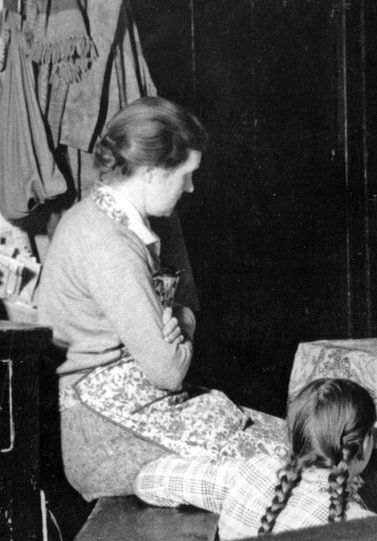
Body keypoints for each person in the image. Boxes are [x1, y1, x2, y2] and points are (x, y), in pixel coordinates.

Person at [37, 96, 286, 501]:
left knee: (285, 438)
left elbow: (167, 345)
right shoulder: (106, 240)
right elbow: (168, 370)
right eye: (186, 174)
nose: (191, 186)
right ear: (151, 173)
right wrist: (184, 320)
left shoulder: (108, 219)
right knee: (281, 460)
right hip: (104, 437)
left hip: (126, 413)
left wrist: (176, 320)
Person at [135, 378, 377, 541]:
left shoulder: (252, 473)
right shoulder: (364, 527)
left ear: (292, 435)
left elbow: (148, 480)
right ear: (365, 444)